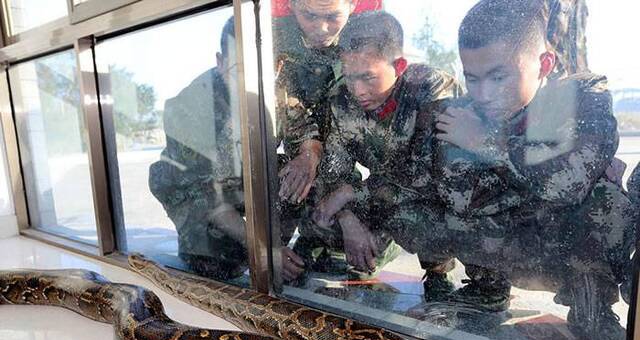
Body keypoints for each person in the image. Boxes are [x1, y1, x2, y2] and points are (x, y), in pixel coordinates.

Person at [431, 0, 634, 340]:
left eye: (498, 76)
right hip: (511, 246)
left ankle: (594, 310)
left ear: (544, 64)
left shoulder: (583, 95)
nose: (484, 94)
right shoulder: (464, 114)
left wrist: (486, 144)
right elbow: (457, 197)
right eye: (472, 78)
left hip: (562, 249)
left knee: (604, 201)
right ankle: (486, 288)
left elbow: (568, 184)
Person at [149, 18, 306, 282]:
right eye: (238, 69)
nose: (247, 80)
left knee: (297, 173)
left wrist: (307, 156)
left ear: (276, 66)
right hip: (196, 194)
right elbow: (209, 198)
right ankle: (250, 251)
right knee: (216, 268)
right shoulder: (191, 107)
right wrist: (264, 251)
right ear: (220, 61)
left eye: (257, 70)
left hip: (241, 180)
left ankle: (277, 253)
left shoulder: (272, 87)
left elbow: (304, 129)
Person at [310, 11, 459, 283]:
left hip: (429, 196)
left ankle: (439, 274)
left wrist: (350, 192)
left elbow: (430, 175)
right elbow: (335, 171)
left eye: (368, 77)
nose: (357, 90)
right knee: (321, 211)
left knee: (421, 219)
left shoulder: (431, 89)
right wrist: (346, 217)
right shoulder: (340, 97)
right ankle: (360, 250)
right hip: (385, 194)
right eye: (349, 76)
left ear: (399, 66)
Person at [274, 0, 399, 280]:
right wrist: (309, 150)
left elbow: (403, 171)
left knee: (373, 234)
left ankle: (333, 240)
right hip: (303, 146)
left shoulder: (366, 37)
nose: (321, 28)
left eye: (332, 16)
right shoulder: (269, 38)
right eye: (309, 15)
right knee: (293, 182)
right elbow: (281, 102)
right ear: (292, 5)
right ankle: (312, 239)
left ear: (353, 5)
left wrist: (346, 206)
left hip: (349, 149)